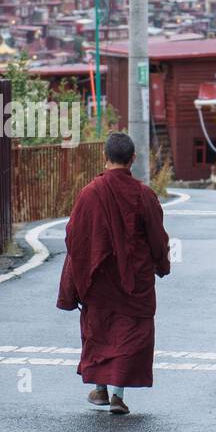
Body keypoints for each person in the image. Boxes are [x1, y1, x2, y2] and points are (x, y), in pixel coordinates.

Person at [56, 132, 172, 415]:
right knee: (130, 334)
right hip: (134, 279)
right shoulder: (144, 195)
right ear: (132, 159)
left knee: (100, 331)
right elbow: (157, 236)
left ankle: (100, 390)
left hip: (99, 279)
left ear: (105, 158)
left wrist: (84, 270)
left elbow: (74, 236)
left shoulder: (89, 194)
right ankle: (118, 395)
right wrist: (161, 264)